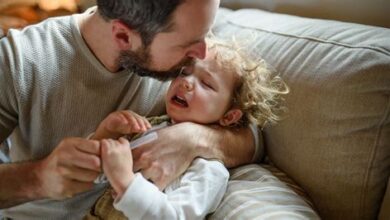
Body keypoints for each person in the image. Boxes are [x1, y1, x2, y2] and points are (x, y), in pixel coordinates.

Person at [0, 1, 259, 219]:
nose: (201, 53)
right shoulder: (18, 61)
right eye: (189, 44)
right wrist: (39, 177)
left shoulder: (185, 64)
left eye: (206, 34)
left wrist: (193, 138)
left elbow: (253, 136)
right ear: (124, 36)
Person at [84, 39, 289, 219]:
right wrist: (107, 133)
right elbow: (94, 175)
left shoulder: (209, 170)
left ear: (229, 116)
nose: (186, 83)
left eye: (206, 84)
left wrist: (127, 184)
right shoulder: (149, 125)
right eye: (184, 72)